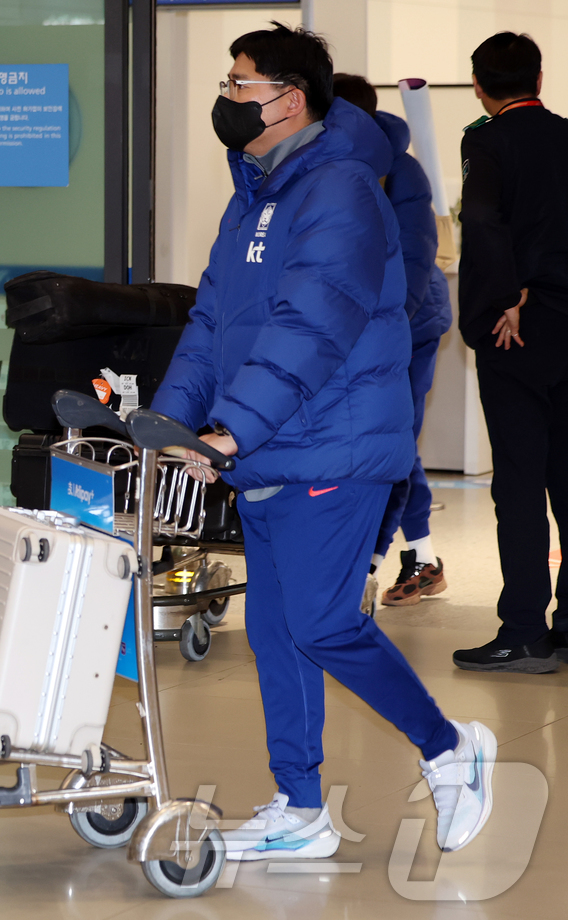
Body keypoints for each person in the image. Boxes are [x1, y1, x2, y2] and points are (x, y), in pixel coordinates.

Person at [154, 23, 495, 861]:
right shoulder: (254, 195)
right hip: (276, 447)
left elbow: (312, 328)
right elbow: (211, 323)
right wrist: (167, 423)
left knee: (320, 623)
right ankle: (300, 807)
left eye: (241, 86)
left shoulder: (339, 189)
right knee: (277, 634)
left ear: (288, 98)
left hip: (331, 447)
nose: (228, 100)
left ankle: (452, 750)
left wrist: (231, 428)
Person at [452, 32, 568, 673]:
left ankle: (524, 629)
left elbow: (486, 223)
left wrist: (502, 301)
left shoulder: (487, 140)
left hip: (516, 331)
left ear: (479, 85)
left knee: (520, 485)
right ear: (539, 79)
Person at [330, 74, 453, 611]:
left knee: (392, 443)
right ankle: (421, 556)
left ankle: (369, 566)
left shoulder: (400, 171)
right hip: (356, 328)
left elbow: (415, 260)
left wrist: (382, 332)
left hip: (408, 326)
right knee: (391, 440)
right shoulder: (329, 164)